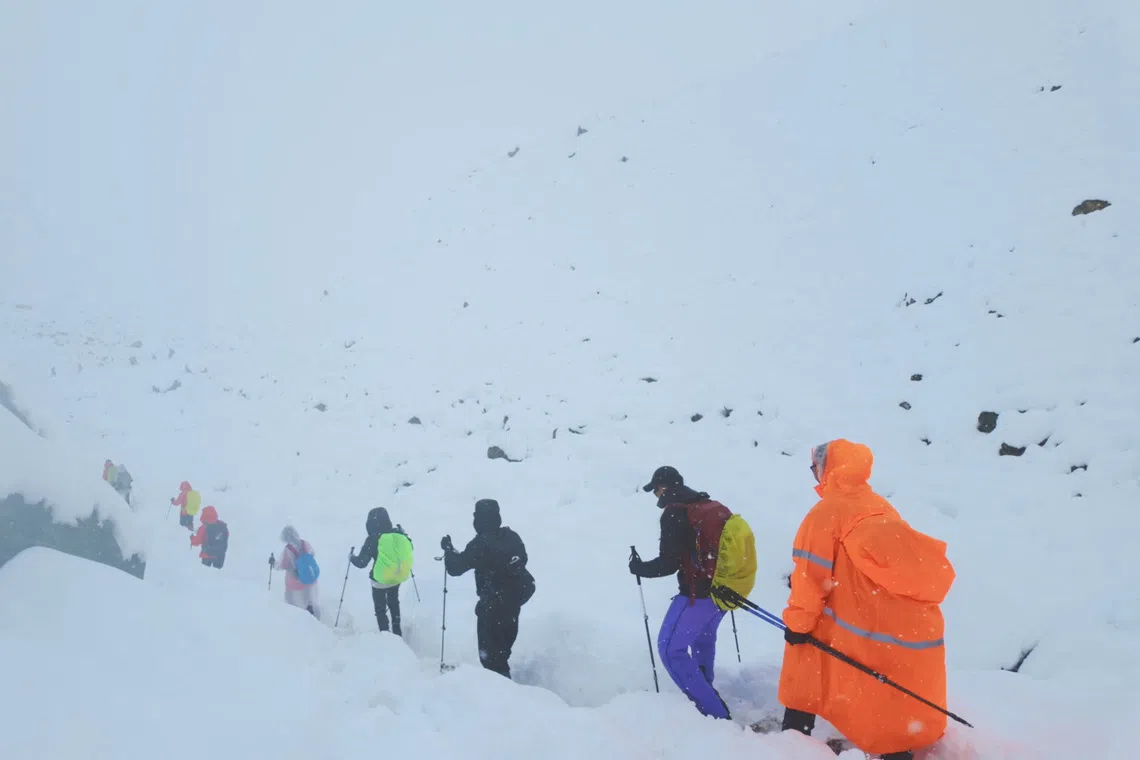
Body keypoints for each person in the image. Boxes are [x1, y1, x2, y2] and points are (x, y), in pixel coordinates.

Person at [778, 439, 956, 760]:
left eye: (814, 469)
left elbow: (810, 580)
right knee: (885, 691)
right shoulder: (880, 505)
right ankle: (896, 749)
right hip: (891, 624)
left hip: (852, 620)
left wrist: (798, 624)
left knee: (804, 664)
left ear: (825, 469)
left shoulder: (825, 515)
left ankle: (793, 741)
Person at [628, 465, 732, 720]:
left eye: (655, 491)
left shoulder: (674, 513)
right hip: (722, 592)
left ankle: (713, 713)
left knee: (670, 649)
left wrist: (639, 568)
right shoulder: (705, 504)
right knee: (702, 641)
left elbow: (668, 563)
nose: (657, 496)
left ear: (663, 488)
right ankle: (706, 693)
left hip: (697, 594)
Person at [441, 499, 535, 679]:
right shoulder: (511, 536)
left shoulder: (480, 543)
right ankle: (506, 691)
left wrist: (448, 550)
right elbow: (521, 559)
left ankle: (502, 697)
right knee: (502, 654)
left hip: (492, 608)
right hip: (513, 604)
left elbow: (456, 568)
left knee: (490, 658)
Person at [349, 508, 414, 636]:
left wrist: (351, 557)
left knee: (380, 609)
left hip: (379, 581)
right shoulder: (398, 534)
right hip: (397, 577)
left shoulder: (373, 539)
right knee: (394, 602)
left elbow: (361, 563)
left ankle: (385, 634)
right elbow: (410, 549)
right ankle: (397, 630)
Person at [271, 526, 320, 618]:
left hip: (296, 583)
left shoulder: (288, 549)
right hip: (310, 578)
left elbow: (282, 565)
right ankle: (314, 616)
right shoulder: (305, 543)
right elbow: (313, 554)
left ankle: (294, 623)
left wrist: (273, 563)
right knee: (309, 601)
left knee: (290, 603)